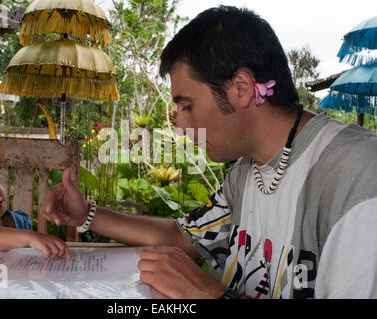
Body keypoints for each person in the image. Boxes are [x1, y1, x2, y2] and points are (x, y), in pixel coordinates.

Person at [42, 6, 377, 298]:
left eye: (187, 105)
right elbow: (181, 237)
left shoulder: (357, 178)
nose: (180, 126)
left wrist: (208, 293)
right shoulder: (246, 171)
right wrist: (86, 213)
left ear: (241, 89)